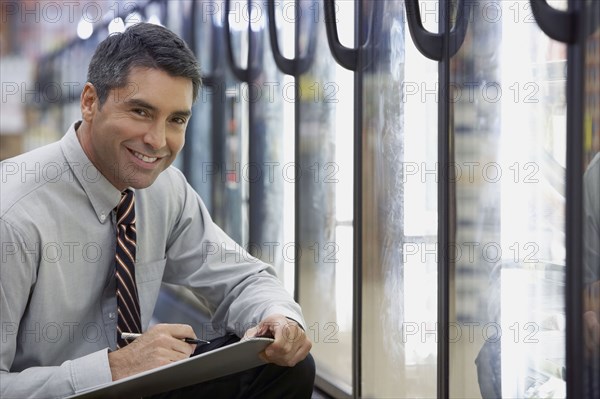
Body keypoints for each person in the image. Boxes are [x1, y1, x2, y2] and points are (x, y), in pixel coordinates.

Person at [0, 22, 314, 398]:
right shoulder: (13, 215)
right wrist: (114, 368)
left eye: (176, 120)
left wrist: (278, 318)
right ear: (90, 102)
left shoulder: (164, 190)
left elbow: (241, 280)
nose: (158, 141)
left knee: (278, 366)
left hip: (137, 384)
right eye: (140, 111)